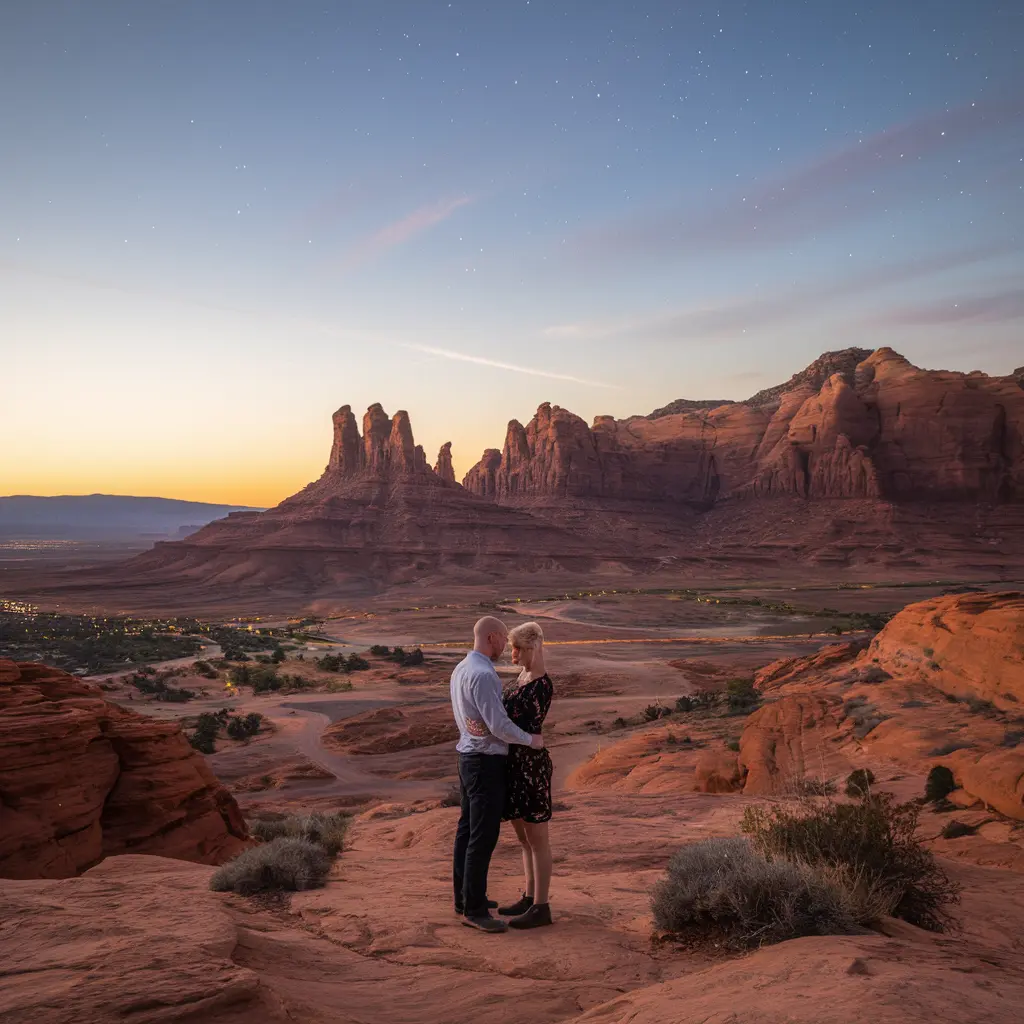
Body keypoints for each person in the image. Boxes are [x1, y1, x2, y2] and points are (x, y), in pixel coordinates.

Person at [450, 616, 545, 933]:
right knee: (482, 836)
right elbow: (498, 726)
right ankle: (475, 910)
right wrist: (532, 740)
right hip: (485, 762)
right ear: (492, 637)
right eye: (504, 639)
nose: (507, 646)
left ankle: (465, 898)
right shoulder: (484, 675)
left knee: (466, 831)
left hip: (466, 757)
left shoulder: (461, 669)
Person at [497, 621, 555, 929]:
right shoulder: (522, 678)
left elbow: (527, 726)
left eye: (518, 648)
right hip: (514, 764)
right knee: (523, 838)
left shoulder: (541, 684)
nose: (513, 653)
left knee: (537, 839)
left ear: (532, 648)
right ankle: (529, 896)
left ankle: (541, 907)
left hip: (530, 767)